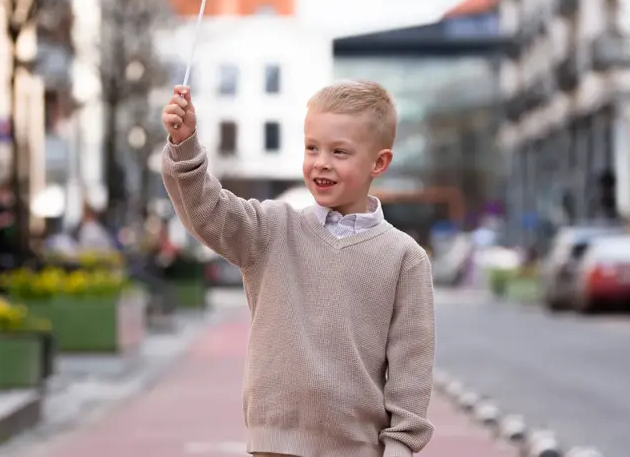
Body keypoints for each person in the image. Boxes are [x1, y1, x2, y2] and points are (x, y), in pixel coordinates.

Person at [161, 81, 435, 457]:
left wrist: (401, 445)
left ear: (379, 163)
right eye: (312, 148)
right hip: (273, 444)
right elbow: (207, 210)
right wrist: (184, 145)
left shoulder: (405, 258)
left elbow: (412, 364)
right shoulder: (270, 228)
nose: (321, 162)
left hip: (358, 449)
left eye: (339, 151)